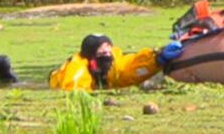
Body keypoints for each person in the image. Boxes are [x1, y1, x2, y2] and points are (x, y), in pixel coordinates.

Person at [49, 33, 183, 91]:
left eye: (109, 51)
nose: (107, 55)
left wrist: (157, 58)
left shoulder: (114, 62)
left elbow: (130, 68)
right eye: (102, 53)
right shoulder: (78, 70)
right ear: (91, 58)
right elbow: (73, 89)